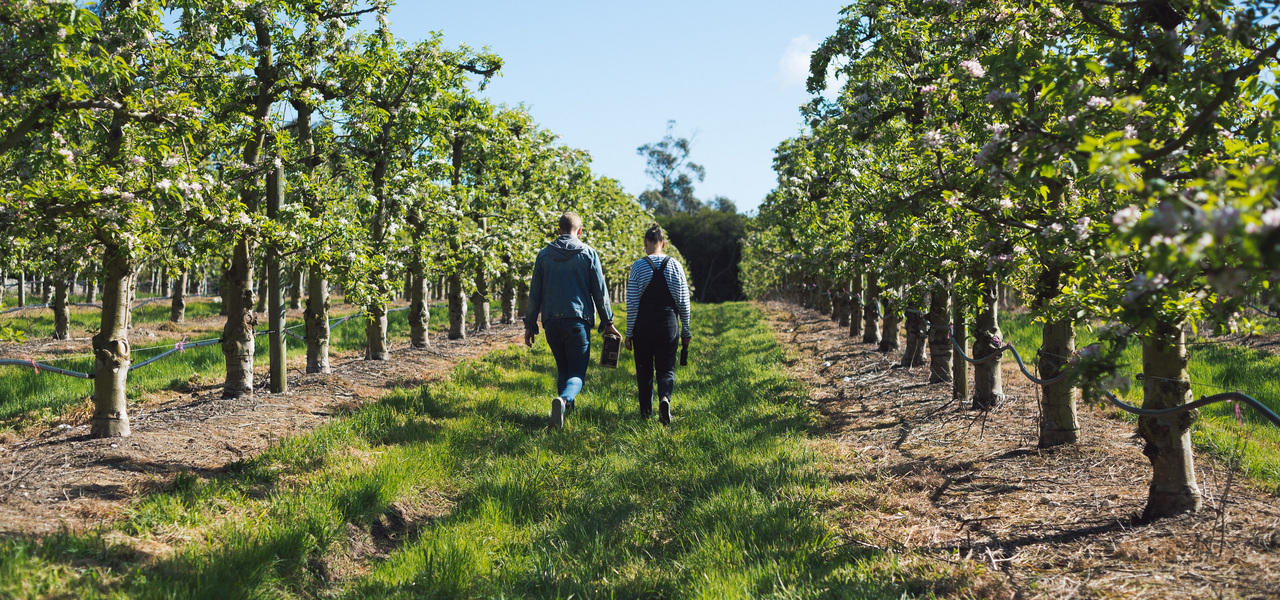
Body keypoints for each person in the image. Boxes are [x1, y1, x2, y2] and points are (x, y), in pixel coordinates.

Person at [524, 211, 622, 428]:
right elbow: (600, 292)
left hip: (551, 322)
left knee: (563, 370)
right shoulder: (588, 254)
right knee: (577, 373)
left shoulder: (543, 255)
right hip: (578, 321)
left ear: (558, 231)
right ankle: (564, 400)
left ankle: (564, 415)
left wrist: (530, 325)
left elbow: (535, 293)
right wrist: (608, 322)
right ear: (579, 231)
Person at [624, 223, 691, 426]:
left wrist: (629, 333)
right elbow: (683, 302)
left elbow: (633, 303)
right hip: (668, 324)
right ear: (663, 242)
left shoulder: (638, 266)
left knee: (644, 370)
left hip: (643, 325)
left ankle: (646, 414)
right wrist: (686, 330)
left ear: (646, 243)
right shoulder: (675, 266)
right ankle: (664, 399)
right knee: (666, 368)